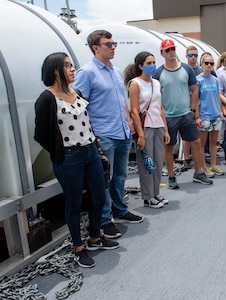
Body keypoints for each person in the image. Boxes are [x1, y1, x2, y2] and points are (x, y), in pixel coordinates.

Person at [34, 52, 120, 268]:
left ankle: (94, 237)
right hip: (69, 158)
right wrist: (60, 152)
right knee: (74, 204)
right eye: (67, 66)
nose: (73, 69)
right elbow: (41, 134)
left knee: (99, 197)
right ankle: (78, 247)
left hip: (91, 153)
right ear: (55, 70)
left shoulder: (77, 92)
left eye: (72, 65)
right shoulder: (46, 99)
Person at [74, 30, 144, 240]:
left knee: (120, 175)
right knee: (105, 179)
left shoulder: (115, 71)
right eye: (108, 44)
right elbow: (79, 106)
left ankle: (119, 210)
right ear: (96, 48)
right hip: (103, 134)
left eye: (114, 43)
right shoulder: (86, 73)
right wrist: (90, 134)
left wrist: (129, 122)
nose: (113, 47)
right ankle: (105, 220)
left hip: (121, 132)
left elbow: (121, 101)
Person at [153, 39, 212, 188]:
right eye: (167, 50)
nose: (171, 52)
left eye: (173, 48)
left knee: (196, 143)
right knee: (169, 146)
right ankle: (171, 176)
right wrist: (161, 115)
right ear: (162, 53)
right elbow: (155, 95)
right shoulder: (158, 73)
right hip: (169, 116)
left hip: (186, 113)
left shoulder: (186, 69)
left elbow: (194, 89)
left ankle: (199, 173)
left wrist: (193, 111)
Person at [124, 51, 171, 209]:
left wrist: (165, 130)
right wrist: (141, 134)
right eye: (149, 63)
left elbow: (161, 108)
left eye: (153, 62)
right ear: (140, 66)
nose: (152, 66)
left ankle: (155, 192)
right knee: (146, 162)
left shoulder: (156, 83)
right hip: (145, 127)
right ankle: (147, 196)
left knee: (158, 161)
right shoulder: (135, 84)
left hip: (158, 125)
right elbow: (135, 110)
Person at [196, 52, 225, 176]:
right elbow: (195, 100)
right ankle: (203, 166)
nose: (209, 65)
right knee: (202, 143)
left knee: (214, 142)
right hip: (204, 115)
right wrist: (197, 116)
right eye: (206, 63)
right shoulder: (198, 80)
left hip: (215, 115)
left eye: (211, 63)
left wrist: (220, 112)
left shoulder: (215, 80)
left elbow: (218, 97)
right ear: (201, 64)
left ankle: (213, 165)